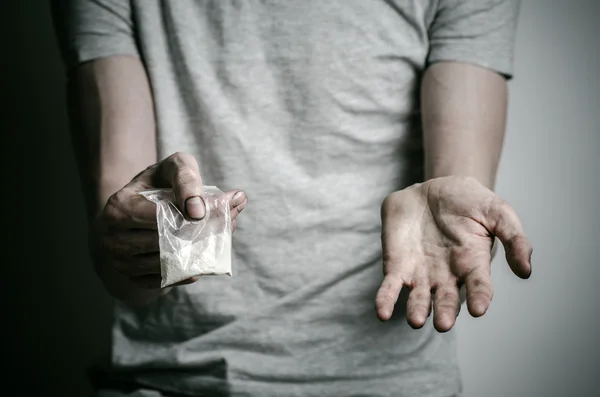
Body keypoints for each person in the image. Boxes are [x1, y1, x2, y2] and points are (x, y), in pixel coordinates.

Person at [51, 1, 533, 396]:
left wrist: (450, 213)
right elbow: (121, 265)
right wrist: (140, 237)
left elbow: (454, 193)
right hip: (173, 380)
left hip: (391, 384)